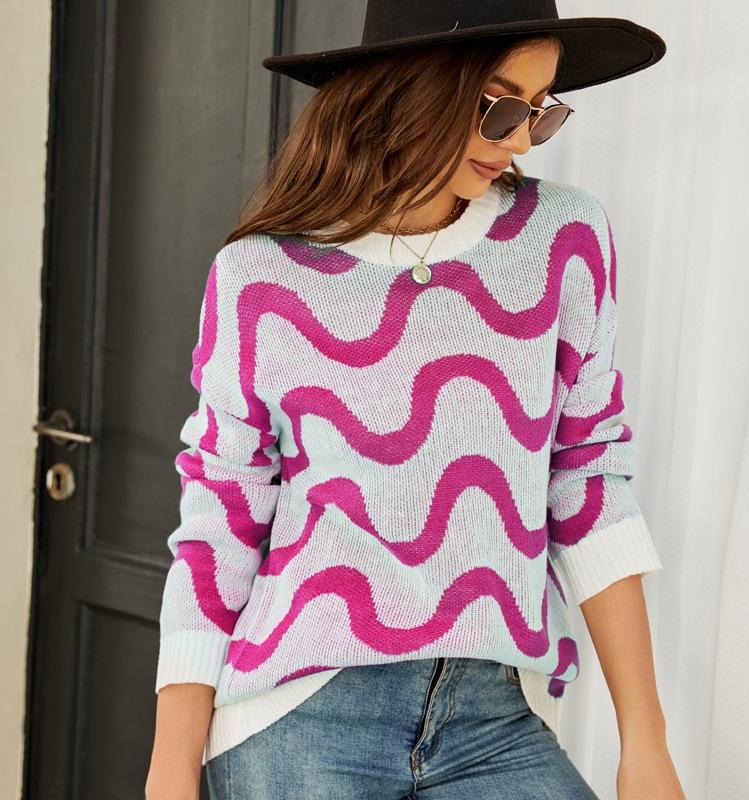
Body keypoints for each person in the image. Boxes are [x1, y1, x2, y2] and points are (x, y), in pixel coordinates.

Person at [146, 2, 686, 798]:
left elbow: (587, 478)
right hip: (300, 712)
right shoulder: (261, 276)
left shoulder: (563, 238)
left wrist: (646, 741)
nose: (519, 141)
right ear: (412, 86)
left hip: (492, 713)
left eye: (541, 111)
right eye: (500, 108)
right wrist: (170, 767)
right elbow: (219, 519)